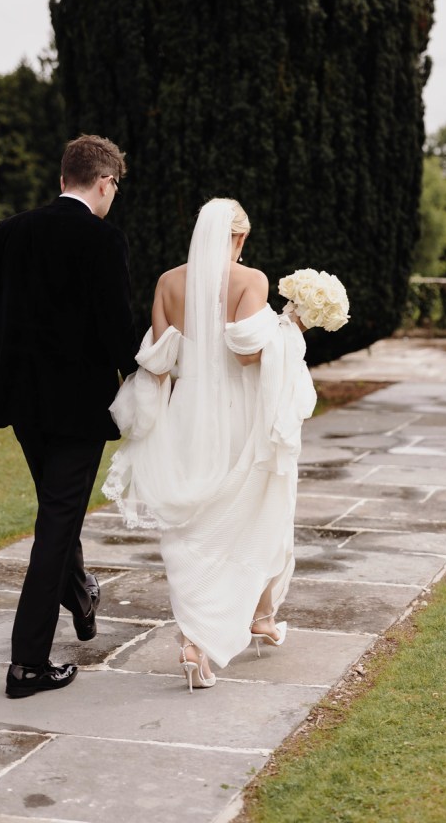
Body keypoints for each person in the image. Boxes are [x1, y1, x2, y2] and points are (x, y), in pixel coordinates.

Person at [103, 197, 317, 690]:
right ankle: (206, 640)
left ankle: (222, 630)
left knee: (195, 524)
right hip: (239, 416)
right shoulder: (252, 281)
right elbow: (247, 357)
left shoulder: (167, 283)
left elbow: (158, 359)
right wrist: (293, 327)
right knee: (253, 513)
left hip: (189, 412)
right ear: (238, 238)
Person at [0, 134, 139, 698]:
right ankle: (28, 665)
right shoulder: (103, 239)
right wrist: (146, 375)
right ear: (104, 181)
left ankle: (83, 590)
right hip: (78, 406)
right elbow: (119, 332)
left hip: (22, 402)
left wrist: (29, 352)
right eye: (116, 185)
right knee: (57, 525)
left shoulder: (9, 231)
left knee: (56, 512)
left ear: (63, 176)